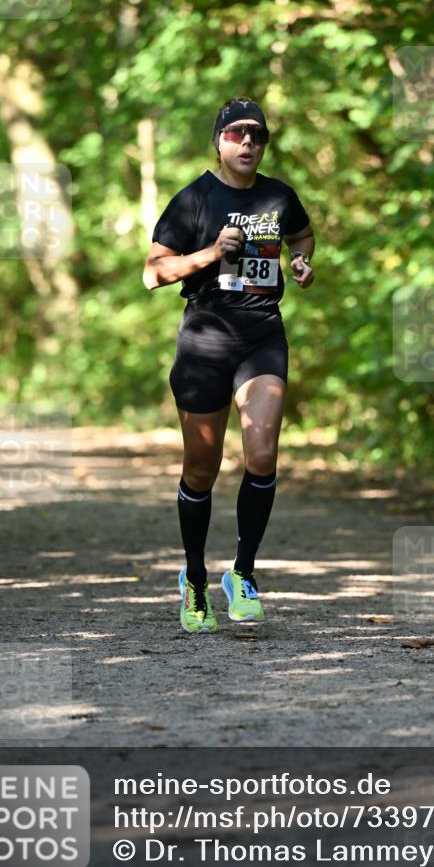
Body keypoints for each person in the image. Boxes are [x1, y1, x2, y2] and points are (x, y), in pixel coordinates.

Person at [144, 97, 315, 632]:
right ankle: (194, 578)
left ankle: (242, 572)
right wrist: (210, 253)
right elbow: (153, 273)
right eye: (238, 133)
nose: (248, 143)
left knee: (262, 451)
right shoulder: (194, 198)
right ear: (219, 140)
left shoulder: (279, 196)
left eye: (258, 135)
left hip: (262, 337)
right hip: (204, 343)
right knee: (203, 466)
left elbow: (302, 235)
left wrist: (304, 262)